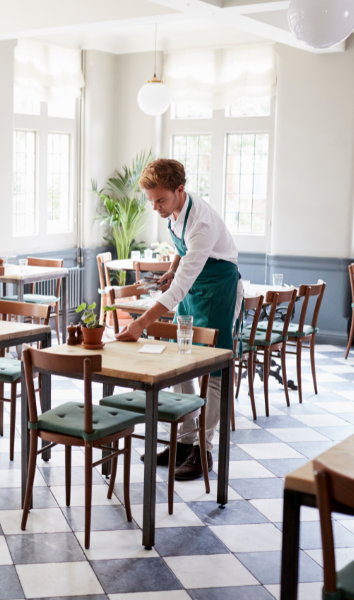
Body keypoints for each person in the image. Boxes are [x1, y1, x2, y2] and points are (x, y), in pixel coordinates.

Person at [115, 158, 243, 481]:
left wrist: (141, 323)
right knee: (183, 357)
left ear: (180, 190)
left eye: (161, 200)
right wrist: (173, 268)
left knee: (212, 368)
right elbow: (183, 251)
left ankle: (203, 450)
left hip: (218, 288)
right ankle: (184, 443)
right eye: (151, 201)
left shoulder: (202, 223)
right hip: (195, 284)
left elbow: (181, 286)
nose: (156, 207)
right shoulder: (176, 210)